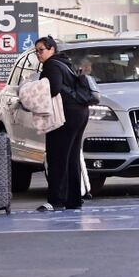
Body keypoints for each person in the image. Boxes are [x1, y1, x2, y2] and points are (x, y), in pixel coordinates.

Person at [34, 36, 89, 212]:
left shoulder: (51, 65)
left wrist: (35, 90)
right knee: (71, 157)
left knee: (57, 157)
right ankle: (74, 200)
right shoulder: (65, 62)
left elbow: (54, 88)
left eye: (41, 50)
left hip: (65, 115)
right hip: (79, 112)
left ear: (51, 49)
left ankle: (56, 201)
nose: (38, 54)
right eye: (36, 51)